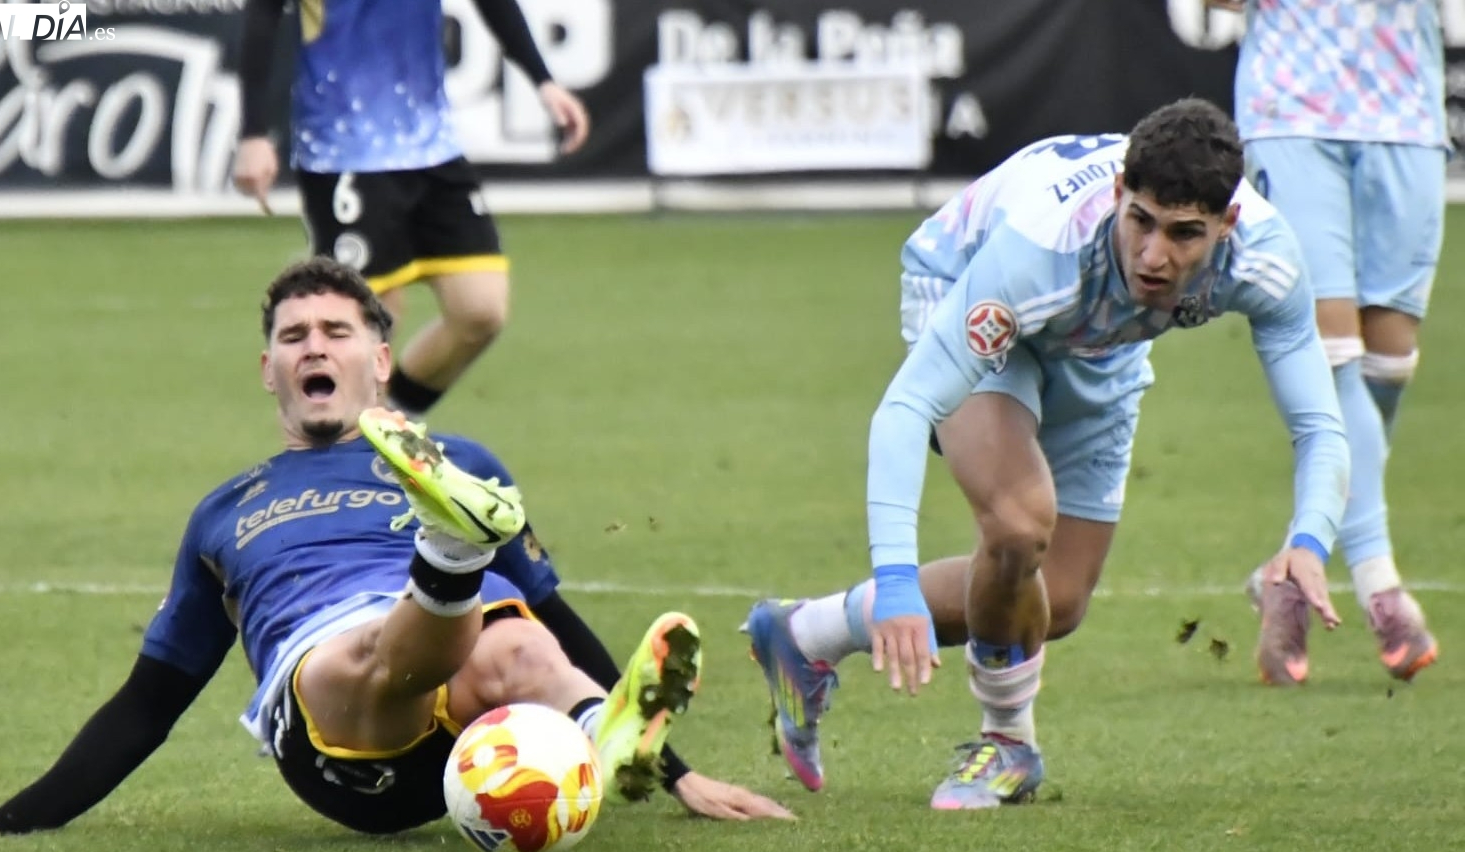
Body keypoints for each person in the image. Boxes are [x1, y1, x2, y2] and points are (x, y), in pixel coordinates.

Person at [0, 259, 791, 841]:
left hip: (465, 708)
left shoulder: (464, 461)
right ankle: (450, 555)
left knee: (517, 643)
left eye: (337, 332)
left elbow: (559, 623)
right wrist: (3, 820)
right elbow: (149, 704)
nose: (314, 347)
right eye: (292, 337)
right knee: (369, 652)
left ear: (381, 360)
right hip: (338, 738)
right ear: (269, 369)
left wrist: (680, 774)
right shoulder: (225, 511)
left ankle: (596, 735)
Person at [742, 98, 1350, 809]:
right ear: (1119, 194)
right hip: (969, 290)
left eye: (1185, 234)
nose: (1156, 255)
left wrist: (1309, 539)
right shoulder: (1039, 252)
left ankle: (804, 631)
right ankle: (1008, 744)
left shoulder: (1268, 262)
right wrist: (896, 578)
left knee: (1051, 603)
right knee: (1019, 523)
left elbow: (1319, 426)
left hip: (1103, 341)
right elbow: (904, 411)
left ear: (1228, 224)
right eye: (1142, 222)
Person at [1215, 0, 1446, 684]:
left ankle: (1291, 563)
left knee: (1389, 360)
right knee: (1333, 357)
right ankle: (1383, 590)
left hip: (1405, 111)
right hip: (1293, 107)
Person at [230, 0, 591, 418]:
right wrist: (254, 133)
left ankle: (392, 424)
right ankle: (329, 464)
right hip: (345, 151)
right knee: (363, 327)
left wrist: (543, 80)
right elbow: (262, 16)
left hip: (433, 147)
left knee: (480, 310)